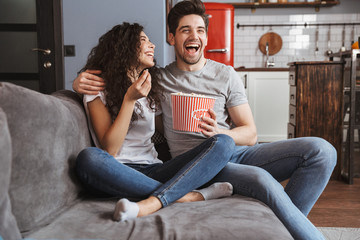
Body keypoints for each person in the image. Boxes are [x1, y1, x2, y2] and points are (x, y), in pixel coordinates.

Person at [72, 1, 336, 239]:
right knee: (261, 179)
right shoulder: (157, 79)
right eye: (185, 30)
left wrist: (219, 132)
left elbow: (251, 134)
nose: (194, 35)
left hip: (230, 149)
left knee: (322, 151)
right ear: (172, 37)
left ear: (206, 38)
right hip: (195, 164)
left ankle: (286, 231)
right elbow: (115, 80)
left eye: (200, 30)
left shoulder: (225, 74)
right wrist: (79, 80)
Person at [74, 22, 236, 222]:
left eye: (150, 41)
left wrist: (202, 124)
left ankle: (155, 199)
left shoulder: (151, 87)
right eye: (143, 41)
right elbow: (110, 150)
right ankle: (186, 196)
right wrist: (129, 100)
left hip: (154, 170)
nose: (152, 45)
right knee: (88, 158)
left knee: (224, 142)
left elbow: (166, 129)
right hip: (116, 171)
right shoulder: (98, 88)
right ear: (123, 48)